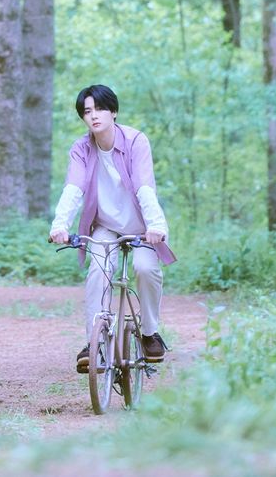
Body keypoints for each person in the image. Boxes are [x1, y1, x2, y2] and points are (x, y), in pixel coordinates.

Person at [49, 83, 175, 372]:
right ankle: (94, 343)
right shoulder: (81, 148)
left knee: (145, 269)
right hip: (104, 226)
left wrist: (156, 225)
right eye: (87, 111)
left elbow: (144, 186)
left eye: (100, 109)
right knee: (98, 272)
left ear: (114, 112)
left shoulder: (135, 141)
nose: (94, 116)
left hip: (142, 228)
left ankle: (149, 333)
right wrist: (60, 225)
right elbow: (74, 188)